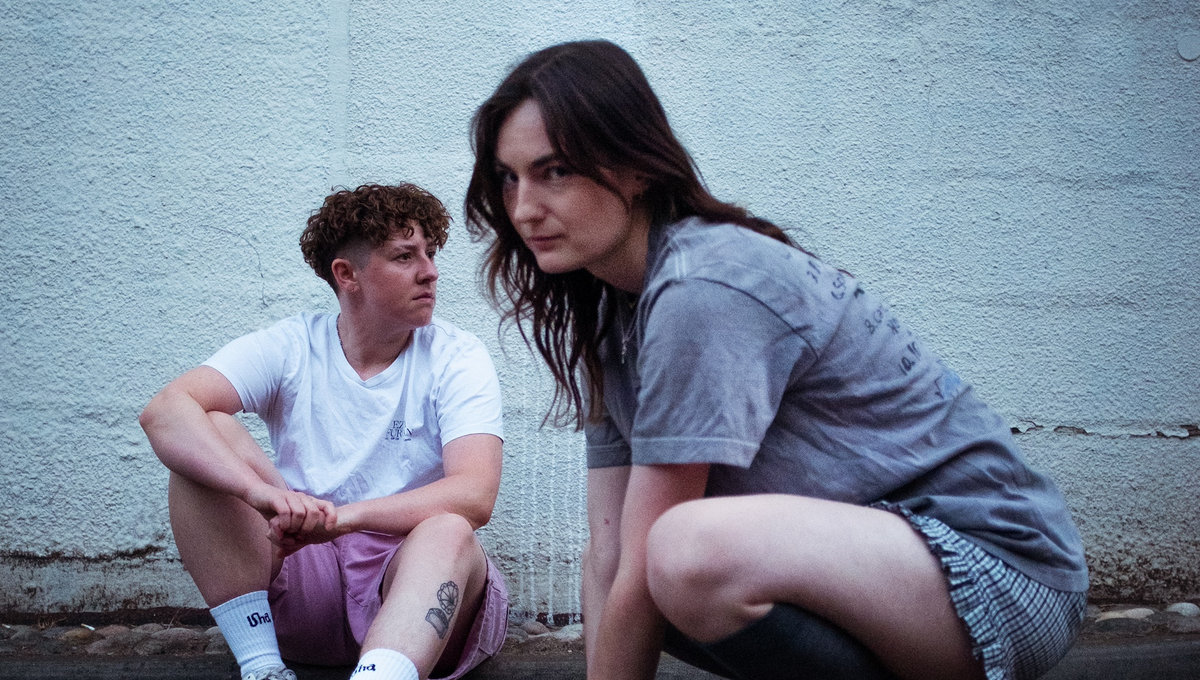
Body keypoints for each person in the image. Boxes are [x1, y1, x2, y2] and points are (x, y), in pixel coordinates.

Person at [464, 40, 1088, 680]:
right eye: (510, 178)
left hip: (998, 570)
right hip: (890, 575)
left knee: (682, 553)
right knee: (648, 565)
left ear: (634, 166)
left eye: (554, 172)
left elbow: (652, 553)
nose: (524, 208)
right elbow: (610, 555)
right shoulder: (612, 318)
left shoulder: (701, 286)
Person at [140, 183, 508, 680]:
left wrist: (345, 519)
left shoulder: (457, 356)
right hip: (305, 575)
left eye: (430, 253)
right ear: (346, 274)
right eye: (405, 256)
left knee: (450, 528)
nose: (430, 271)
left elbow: (475, 495)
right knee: (206, 434)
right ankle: (263, 667)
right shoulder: (293, 345)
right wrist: (259, 494)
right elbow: (164, 411)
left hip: (410, 585)